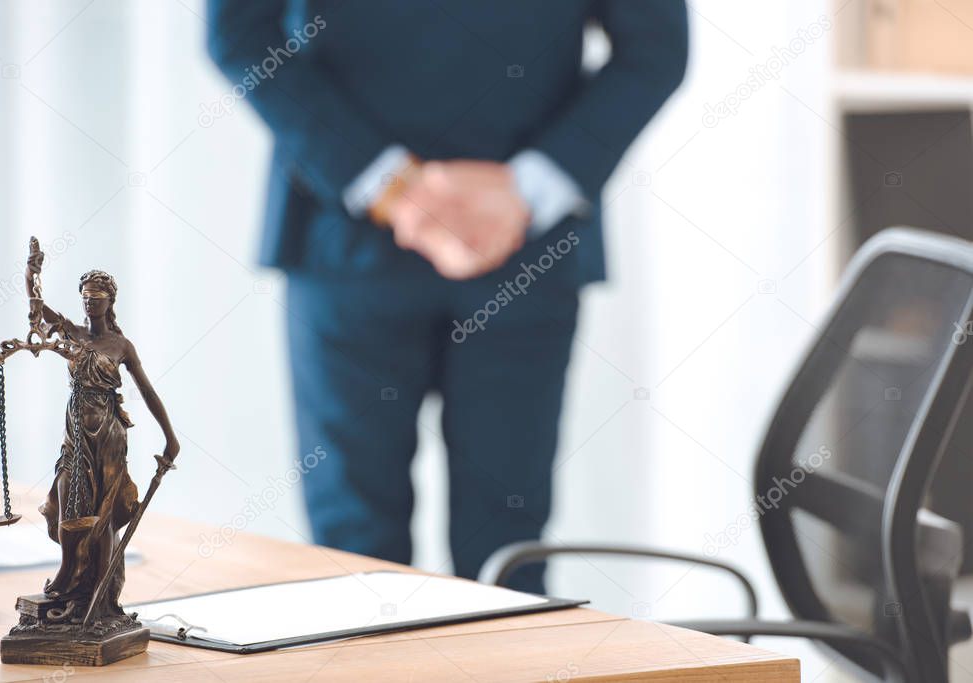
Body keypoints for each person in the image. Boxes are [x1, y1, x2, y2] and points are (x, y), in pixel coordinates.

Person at [207, 0, 688, 593]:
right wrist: (396, 186)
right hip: (348, 251)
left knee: (506, 554)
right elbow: (238, 34)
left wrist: (523, 192)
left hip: (516, 256)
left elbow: (654, 49)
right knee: (354, 561)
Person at [27, 246, 179, 621]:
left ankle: (98, 595)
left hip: (108, 435)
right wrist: (30, 274)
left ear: (110, 302)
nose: (89, 304)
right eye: (85, 298)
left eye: (97, 298)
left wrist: (170, 437)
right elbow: (37, 308)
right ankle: (69, 575)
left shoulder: (121, 346)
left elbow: (146, 391)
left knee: (104, 514)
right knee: (66, 499)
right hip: (76, 433)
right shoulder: (74, 334)